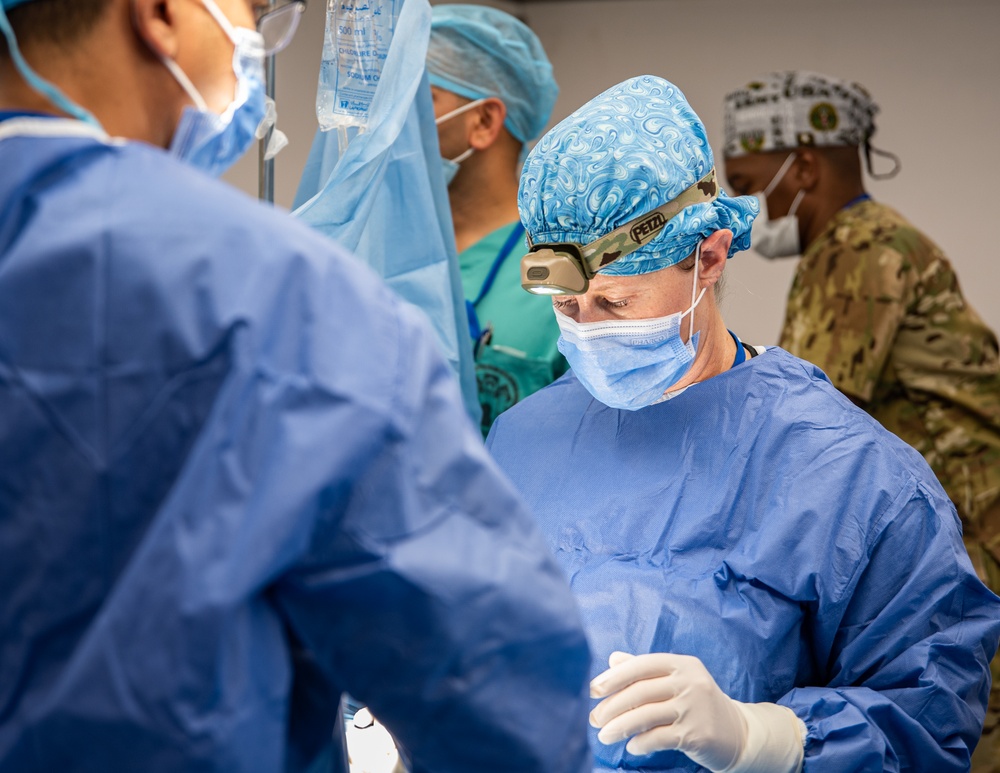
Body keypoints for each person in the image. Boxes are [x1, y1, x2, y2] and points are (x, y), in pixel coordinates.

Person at [0, 2, 594, 772]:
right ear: (158, 14)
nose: (254, 43)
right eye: (251, 13)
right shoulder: (278, 294)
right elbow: (502, 702)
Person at [487, 74, 1000, 772]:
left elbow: (928, 719)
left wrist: (769, 737)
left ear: (710, 256)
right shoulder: (519, 443)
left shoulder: (853, 478)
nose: (586, 334)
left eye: (613, 304)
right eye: (569, 311)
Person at [722, 70, 1000, 772]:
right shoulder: (856, 244)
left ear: (804, 165)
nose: (741, 204)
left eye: (747, 181)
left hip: (975, 546)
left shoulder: (861, 248)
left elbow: (805, 426)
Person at [426, 4, 567, 435]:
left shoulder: (567, 273)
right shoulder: (387, 254)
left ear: (484, 121)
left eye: (419, 102)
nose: (392, 124)